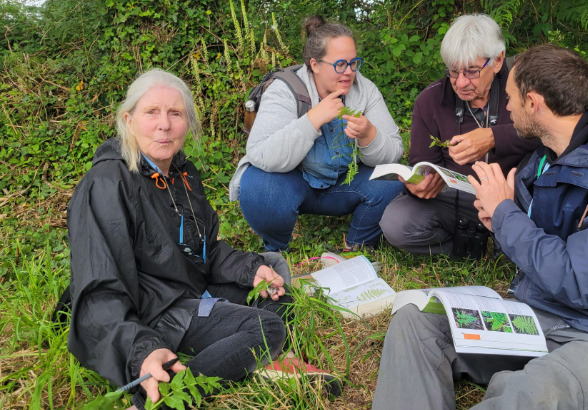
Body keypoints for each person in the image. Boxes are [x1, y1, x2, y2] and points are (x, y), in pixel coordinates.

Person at [372, 44, 588, 409]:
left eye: (510, 99)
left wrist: (506, 215)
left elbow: (582, 281)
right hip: (536, 318)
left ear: (533, 102)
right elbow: (533, 249)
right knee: (417, 323)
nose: (505, 109)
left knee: (531, 390)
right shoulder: (542, 161)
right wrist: (499, 221)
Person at [66, 69, 308, 409]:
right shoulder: (107, 183)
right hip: (151, 311)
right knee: (266, 328)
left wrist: (248, 270)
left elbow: (203, 249)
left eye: (175, 113)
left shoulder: (182, 173)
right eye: (151, 112)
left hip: (186, 288)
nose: (164, 124)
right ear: (128, 119)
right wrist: (140, 350)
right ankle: (160, 398)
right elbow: (99, 286)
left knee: (273, 270)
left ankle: (243, 358)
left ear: (187, 123)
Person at [228, 15, 404, 252]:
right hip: (293, 182)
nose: (349, 72)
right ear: (314, 65)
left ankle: (358, 245)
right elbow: (260, 153)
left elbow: (394, 151)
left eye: (354, 63)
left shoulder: (365, 89)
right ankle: (277, 248)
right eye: (340, 64)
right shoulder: (285, 90)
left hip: (345, 183)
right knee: (258, 189)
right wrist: (312, 120)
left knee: (400, 181)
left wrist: (369, 134)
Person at [379, 14, 540, 256]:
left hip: (516, 196)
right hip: (458, 199)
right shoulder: (431, 100)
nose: (461, 82)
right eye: (454, 71)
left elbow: (552, 133)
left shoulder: (524, 87)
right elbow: (422, 161)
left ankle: (508, 241)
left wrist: (494, 137)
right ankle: (473, 247)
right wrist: (423, 182)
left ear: (498, 61)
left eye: (472, 72)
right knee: (396, 222)